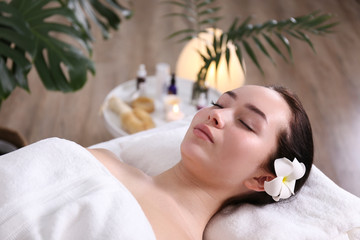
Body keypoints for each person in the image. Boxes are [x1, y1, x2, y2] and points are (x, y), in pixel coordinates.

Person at [89, 84, 314, 239]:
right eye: (219, 104)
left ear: (262, 179)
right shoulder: (104, 159)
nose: (216, 115)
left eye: (246, 123)